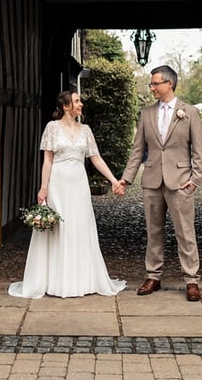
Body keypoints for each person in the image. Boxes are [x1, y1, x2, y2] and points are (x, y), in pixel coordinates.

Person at [9, 90, 126, 299]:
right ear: (65, 106)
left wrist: (114, 180)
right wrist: (43, 187)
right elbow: (47, 161)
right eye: (77, 101)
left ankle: (81, 280)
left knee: (80, 226)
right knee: (60, 229)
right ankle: (56, 280)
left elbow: (96, 158)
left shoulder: (86, 130)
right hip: (58, 184)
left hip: (79, 185)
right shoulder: (52, 128)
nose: (81, 104)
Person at [114, 65, 202, 302]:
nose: (152, 87)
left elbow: (199, 150)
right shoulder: (146, 114)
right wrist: (126, 178)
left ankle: (191, 280)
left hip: (181, 182)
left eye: (155, 83)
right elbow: (137, 150)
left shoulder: (190, 112)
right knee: (153, 232)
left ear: (169, 84)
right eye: (152, 84)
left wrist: (195, 180)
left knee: (185, 233)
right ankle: (153, 276)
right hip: (152, 181)